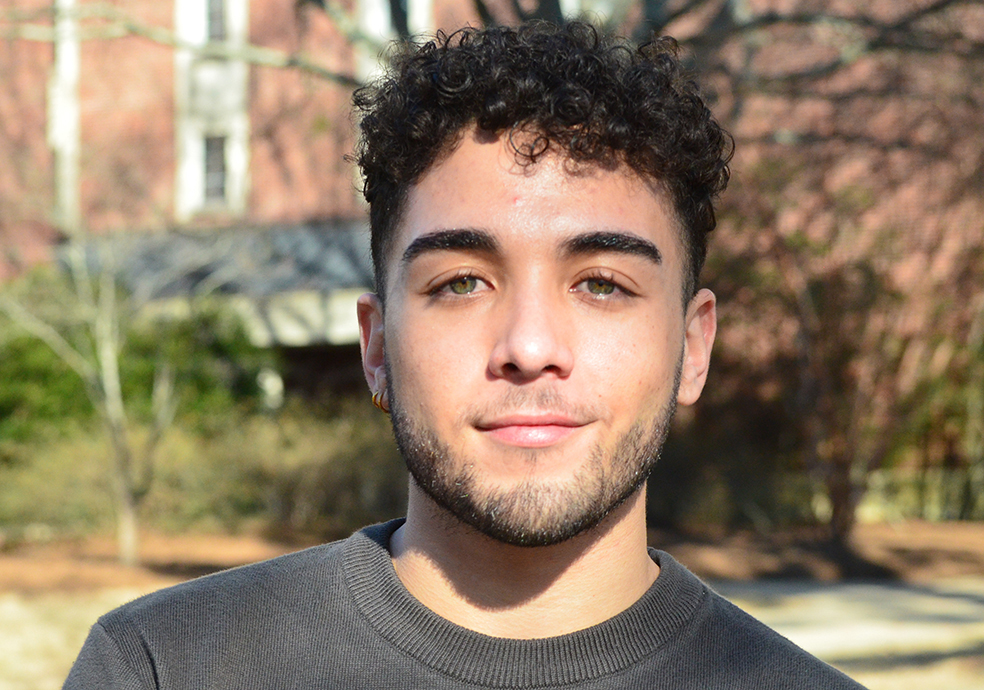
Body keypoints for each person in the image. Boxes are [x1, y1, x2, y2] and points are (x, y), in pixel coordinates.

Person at [64, 20, 866, 689]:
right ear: (376, 347)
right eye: (460, 283)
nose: (529, 348)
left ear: (693, 349)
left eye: (601, 284)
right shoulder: (164, 670)